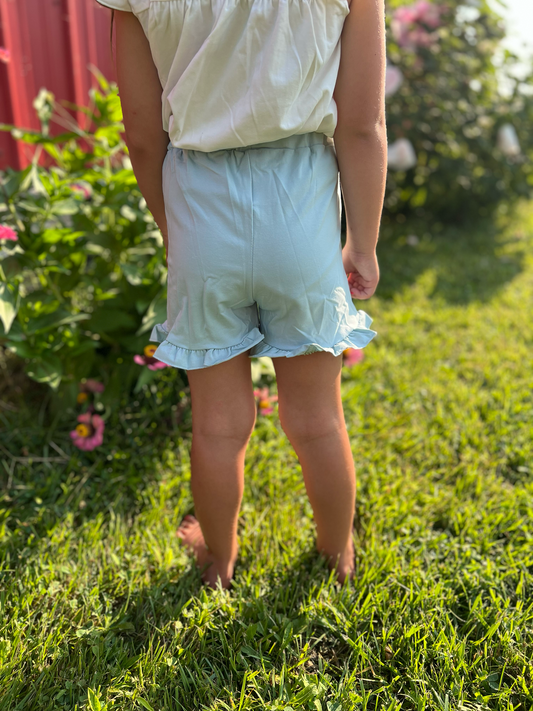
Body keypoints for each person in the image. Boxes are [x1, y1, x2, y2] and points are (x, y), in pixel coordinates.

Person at [96, 0, 387, 589]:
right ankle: (338, 554)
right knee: (317, 419)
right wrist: (363, 245)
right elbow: (361, 126)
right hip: (299, 202)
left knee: (218, 425)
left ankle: (217, 560)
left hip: (200, 200)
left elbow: (144, 139)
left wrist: (174, 233)